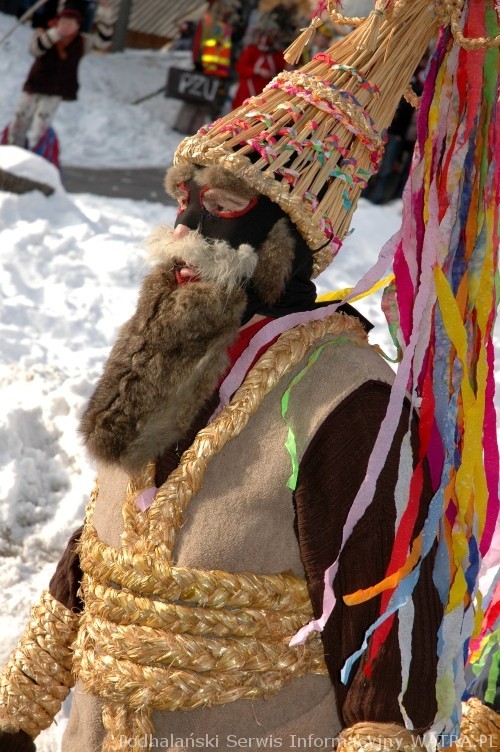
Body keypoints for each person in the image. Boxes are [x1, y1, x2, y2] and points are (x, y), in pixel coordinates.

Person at [0, 1, 498, 751]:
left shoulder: (348, 396)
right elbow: (96, 558)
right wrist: (18, 706)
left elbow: (375, 640)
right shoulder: (171, 346)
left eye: (226, 203)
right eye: (185, 201)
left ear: (286, 237)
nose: (191, 229)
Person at [4, 3, 114, 156]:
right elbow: (35, 49)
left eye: (71, 24)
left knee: (40, 127)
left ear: (77, 26)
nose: (67, 27)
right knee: (19, 122)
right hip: (34, 85)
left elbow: (104, 41)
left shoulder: (82, 42)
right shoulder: (45, 34)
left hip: (55, 90)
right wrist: (56, 34)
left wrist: (105, 12)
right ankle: (10, 154)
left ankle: (35, 159)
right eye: (64, 22)